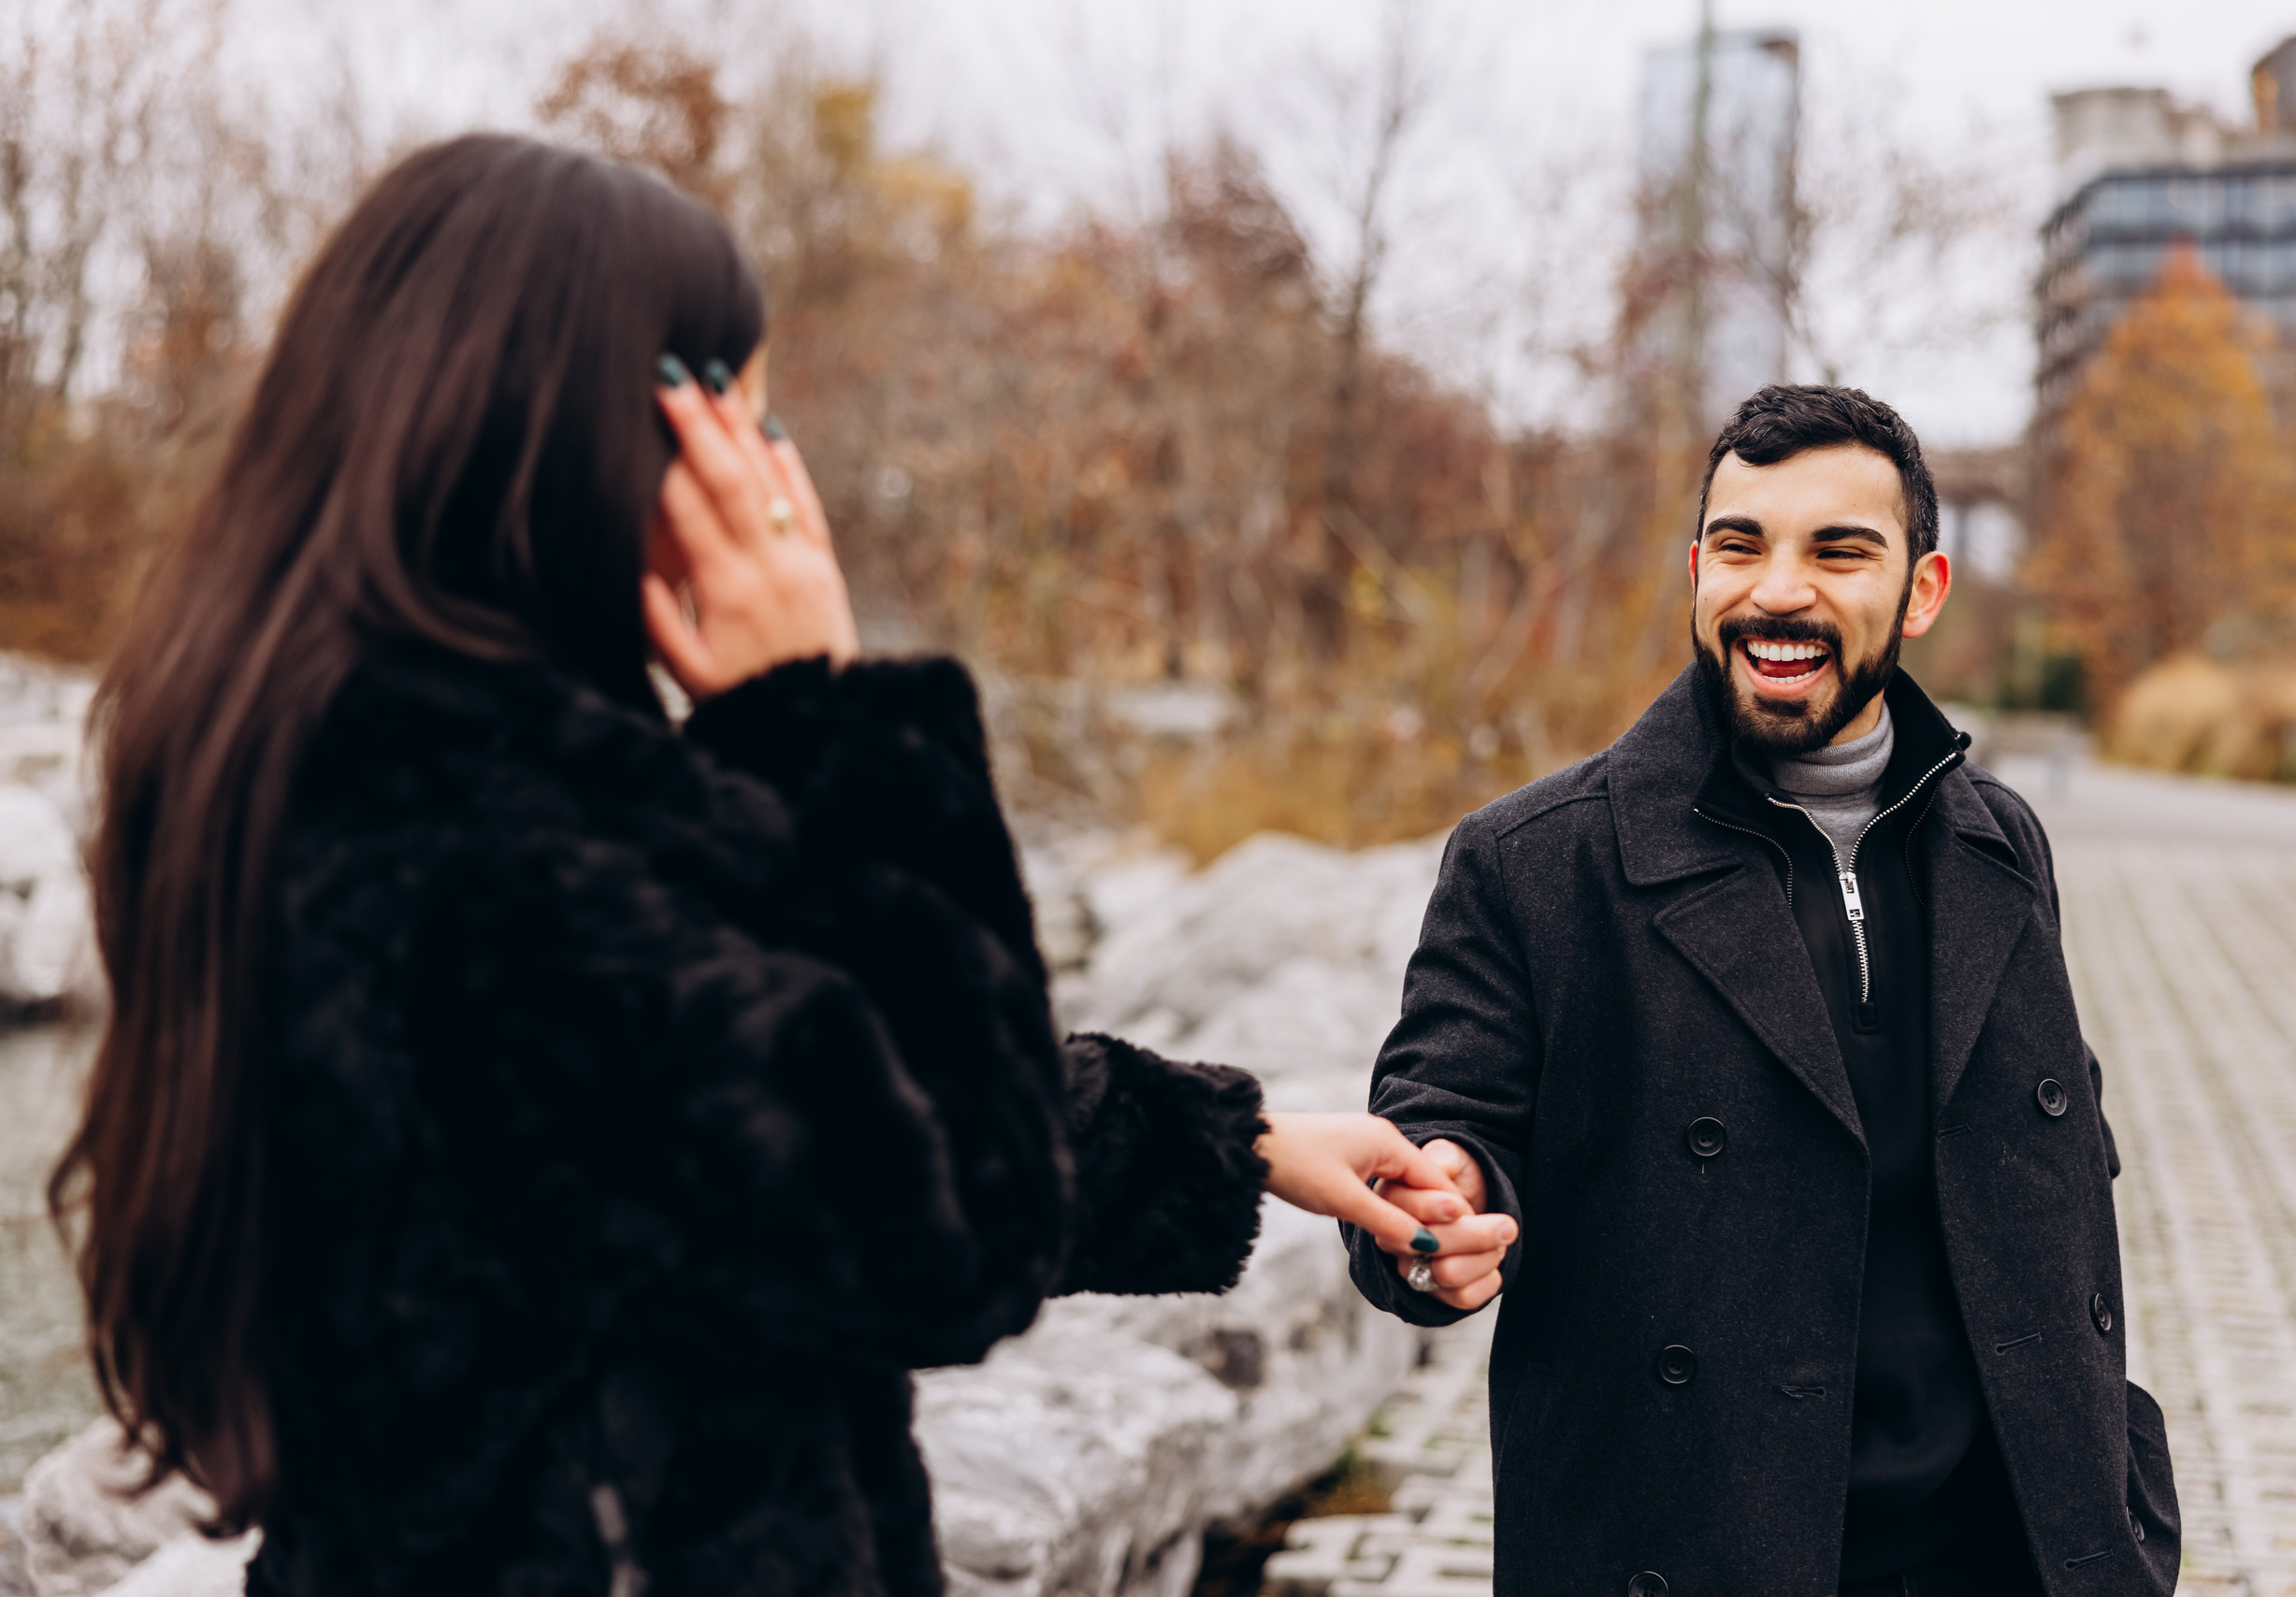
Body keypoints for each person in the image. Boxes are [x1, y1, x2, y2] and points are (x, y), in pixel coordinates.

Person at [47, 135, 1509, 1597]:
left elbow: (790, 1102)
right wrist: (832, 721)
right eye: (739, 417)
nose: (768, 477)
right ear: (614, 438)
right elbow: (935, 1217)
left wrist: (1236, 1142)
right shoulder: (477, 842)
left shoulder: (377, 759)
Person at [1345, 386, 2180, 1596]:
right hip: (1692, 1554)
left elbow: (2053, 1197)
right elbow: (1437, 1128)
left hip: (2015, 1552)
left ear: (1924, 591)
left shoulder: (2004, 845)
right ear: (1697, 571)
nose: (1778, 591)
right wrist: (1435, 1212)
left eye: (1839, 551)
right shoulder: (1534, 861)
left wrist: (2126, 1510)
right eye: (1741, 545)